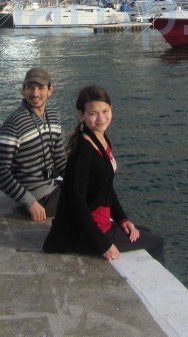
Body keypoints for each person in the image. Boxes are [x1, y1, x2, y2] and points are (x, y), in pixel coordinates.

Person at [43, 85, 164, 263]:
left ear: (111, 109)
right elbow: (76, 201)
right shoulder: (83, 153)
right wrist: (103, 244)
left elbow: (105, 186)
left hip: (98, 225)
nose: (101, 118)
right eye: (93, 113)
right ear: (81, 114)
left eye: (105, 111)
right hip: (86, 233)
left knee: (145, 231)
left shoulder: (100, 139)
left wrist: (122, 218)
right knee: (156, 242)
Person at [0, 67, 65, 222]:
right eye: (30, 87)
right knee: (88, 204)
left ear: (50, 90)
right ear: (23, 90)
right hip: (35, 198)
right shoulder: (14, 124)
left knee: (90, 189)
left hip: (50, 187)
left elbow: (61, 160)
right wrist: (30, 202)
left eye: (41, 88)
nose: (35, 94)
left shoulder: (53, 118)